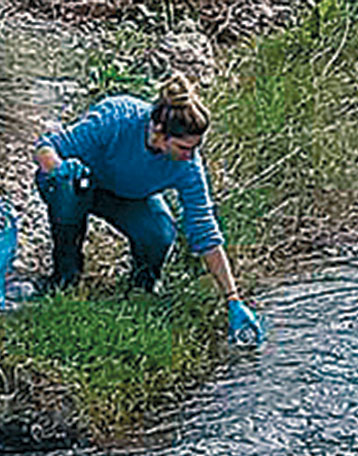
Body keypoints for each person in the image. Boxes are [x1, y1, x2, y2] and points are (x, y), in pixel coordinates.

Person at [33, 74, 263, 345]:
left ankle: (141, 289)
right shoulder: (117, 119)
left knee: (160, 232)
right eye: (184, 147)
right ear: (158, 131)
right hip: (80, 182)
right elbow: (46, 148)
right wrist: (59, 168)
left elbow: (205, 230)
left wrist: (233, 299)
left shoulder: (188, 166)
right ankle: (65, 278)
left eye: (195, 148)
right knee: (66, 191)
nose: (190, 155)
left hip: (127, 196)